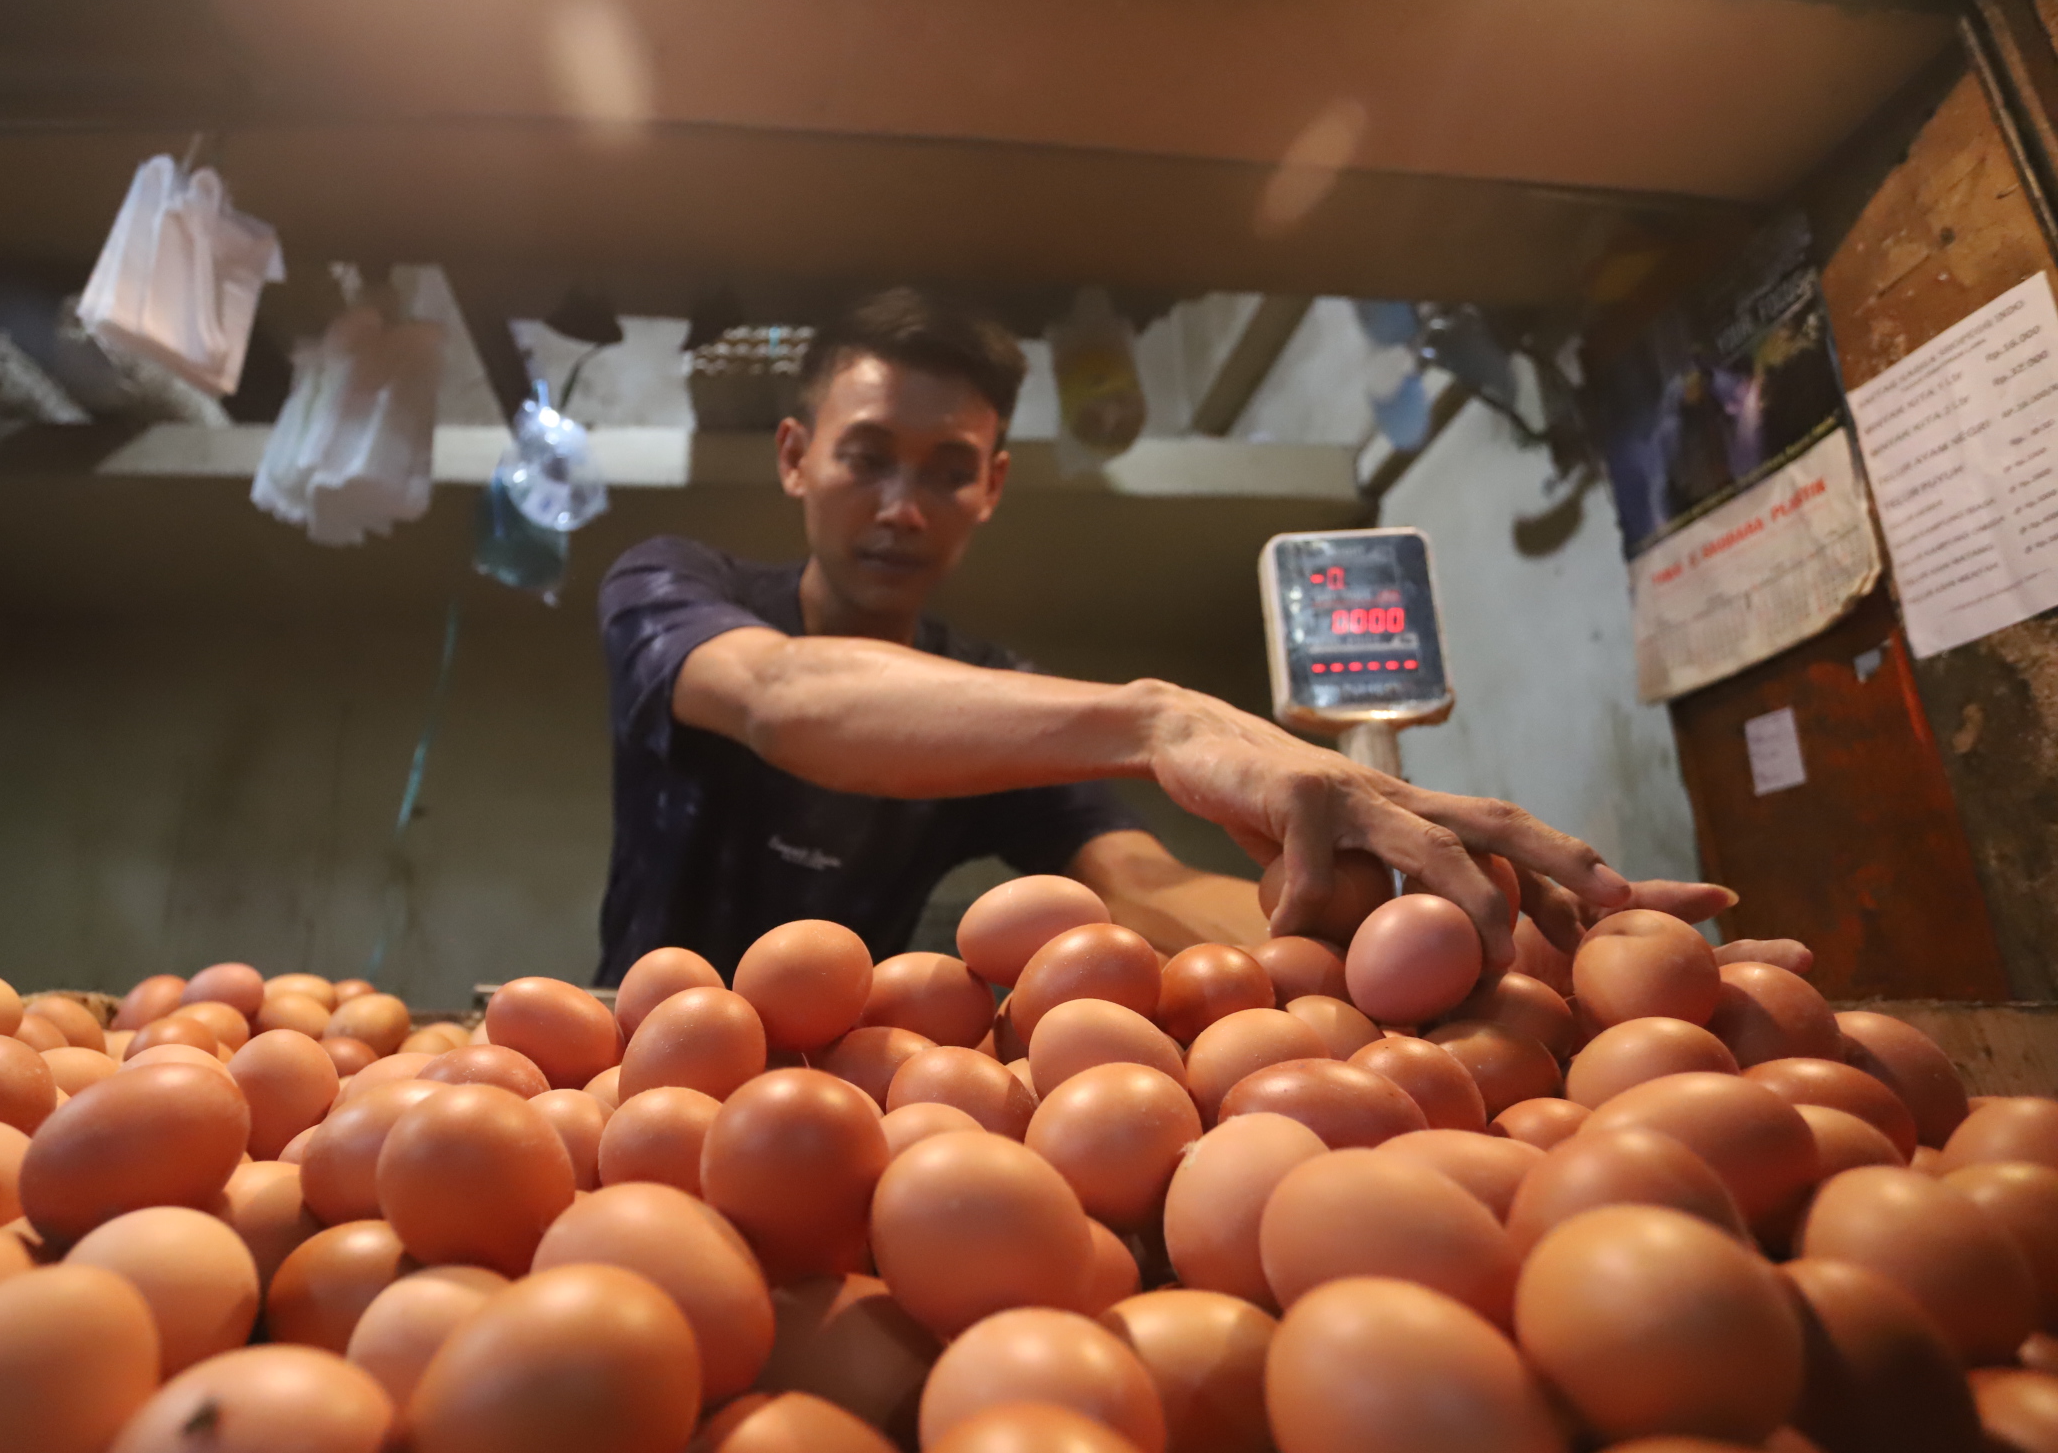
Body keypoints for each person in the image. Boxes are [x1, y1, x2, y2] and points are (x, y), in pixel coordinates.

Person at [594, 288, 1797, 985]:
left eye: (948, 470)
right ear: (797, 456)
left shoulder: (996, 693)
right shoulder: (679, 586)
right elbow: (780, 695)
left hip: (834, 1084)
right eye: (865, 457)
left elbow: (1142, 878)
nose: (904, 507)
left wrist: (1398, 936)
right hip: (635, 1053)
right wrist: (1163, 717)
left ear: (995, 486)